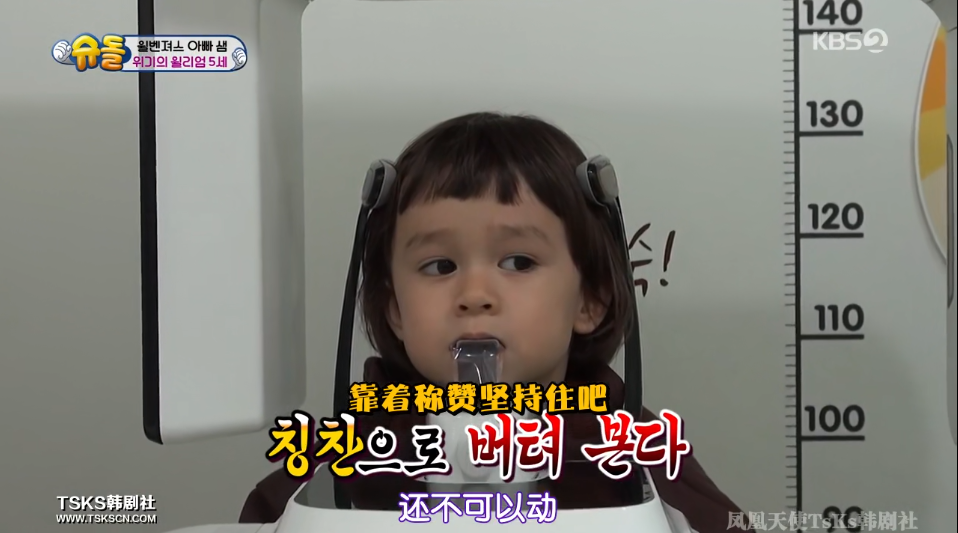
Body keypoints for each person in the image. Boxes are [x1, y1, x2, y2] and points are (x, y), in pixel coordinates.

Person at [240, 112, 752, 531]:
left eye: (518, 262)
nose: (474, 296)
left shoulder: (631, 448)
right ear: (395, 310)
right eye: (439, 266)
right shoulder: (350, 448)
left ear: (589, 301)